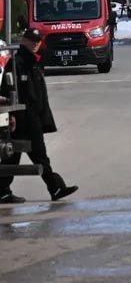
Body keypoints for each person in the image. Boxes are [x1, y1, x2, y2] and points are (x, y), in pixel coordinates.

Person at [0, 29, 79, 204]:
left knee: (14, 156)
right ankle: (55, 187)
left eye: (38, 41)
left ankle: (3, 191)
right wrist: (11, 115)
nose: (36, 44)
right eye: (32, 40)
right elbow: (7, 90)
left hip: (33, 117)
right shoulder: (17, 63)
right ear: (24, 40)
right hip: (24, 118)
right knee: (35, 155)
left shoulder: (33, 62)